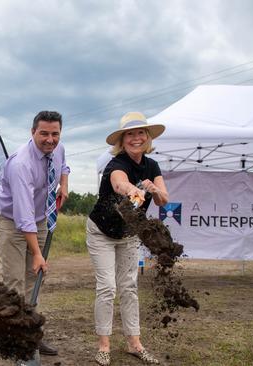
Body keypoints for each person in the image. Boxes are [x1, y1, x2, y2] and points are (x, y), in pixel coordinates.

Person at [86, 111, 168, 366]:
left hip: (129, 234)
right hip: (101, 232)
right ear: (123, 140)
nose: (135, 138)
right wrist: (133, 189)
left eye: (140, 133)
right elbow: (119, 183)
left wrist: (155, 190)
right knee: (108, 287)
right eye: (130, 134)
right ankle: (104, 345)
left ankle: (134, 343)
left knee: (129, 287)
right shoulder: (117, 164)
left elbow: (164, 198)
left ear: (147, 137)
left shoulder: (152, 166)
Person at [0, 110, 70, 358]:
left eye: (55, 133)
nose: (50, 139)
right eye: (43, 133)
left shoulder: (58, 148)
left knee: (34, 280)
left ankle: (31, 335)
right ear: (32, 132)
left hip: (40, 218)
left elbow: (64, 165)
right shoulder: (20, 164)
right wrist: (37, 253)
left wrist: (64, 185)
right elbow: (23, 215)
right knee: (14, 284)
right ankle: (12, 340)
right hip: (12, 221)